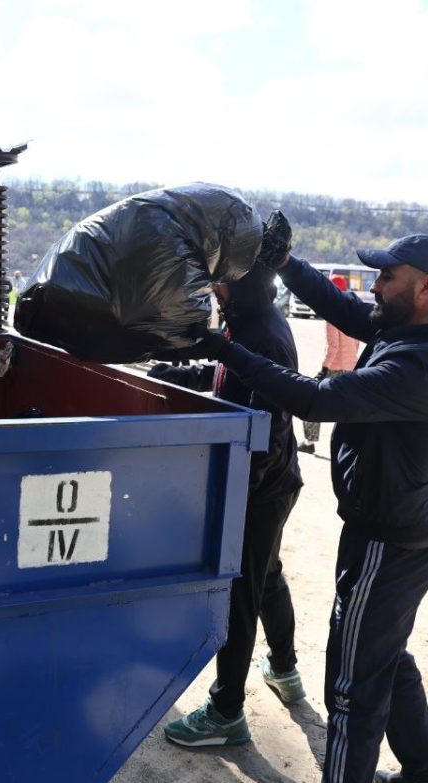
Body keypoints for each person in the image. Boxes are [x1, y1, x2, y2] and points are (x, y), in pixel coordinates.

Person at [188, 219, 428, 783]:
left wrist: (224, 349)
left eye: (387, 277)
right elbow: (342, 308)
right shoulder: (415, 325)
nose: (375, 287)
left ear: (427, 287)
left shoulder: (423, 362)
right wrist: (287, 263)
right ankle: (424, 774)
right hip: (400, 531)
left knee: (351, 689)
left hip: (385, 543)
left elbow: (316, 399)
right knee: (385, 657)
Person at [149, 258, 306, 747]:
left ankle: (226, 711)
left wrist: (237, 494)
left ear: (246, 284)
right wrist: (180, 375)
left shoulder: (266, 336)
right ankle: (285, 668)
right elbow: (226, 373)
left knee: (241, 593)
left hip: (261, 488)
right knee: (267, 575)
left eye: (223, 282)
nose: (216, 290)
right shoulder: (248, 324)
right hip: (272, 483)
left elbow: (269, 430)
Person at [301, 273, 360, 454]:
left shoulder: (332, 316)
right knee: (346, 411)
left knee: (310, 402)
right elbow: (357, 343)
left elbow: (333, 346)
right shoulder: (352, 314)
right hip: (351, 368)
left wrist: (324, 368)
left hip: (334, 369)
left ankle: (309, 442)